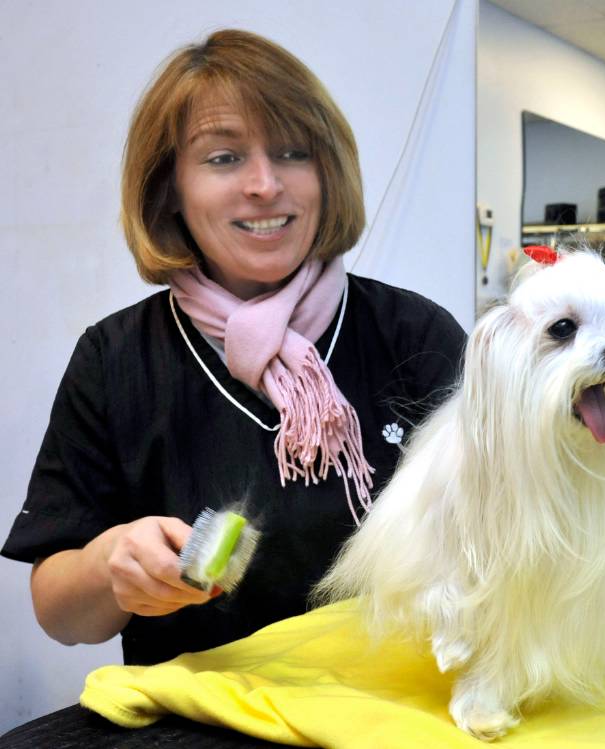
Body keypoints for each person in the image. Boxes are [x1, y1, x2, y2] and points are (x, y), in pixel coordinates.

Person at [0, 30, 466, 666]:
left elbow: (502, 531)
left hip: (389, 708)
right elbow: (60, 614)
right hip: (196, 721)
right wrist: (115, 566)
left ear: (327, 171)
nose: (265, 185)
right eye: (223, 158)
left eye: (294, 152)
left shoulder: (414, 335)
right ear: (170, 188)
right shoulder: (115, 360)